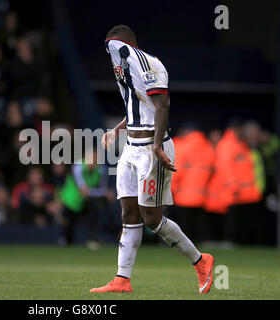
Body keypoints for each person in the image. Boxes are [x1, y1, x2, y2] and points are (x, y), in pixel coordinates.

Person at [90, 25, 214, 294]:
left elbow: (161, 105)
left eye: (114, 46)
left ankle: (200, 260)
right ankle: (122, 279)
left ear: (127, 44)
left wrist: (157, 145)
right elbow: (141, 105)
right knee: (129, 213)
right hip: (132, 147)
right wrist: (118, 129)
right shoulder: (125, 67)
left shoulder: (149, 63)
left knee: (152, 219)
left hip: (150, 148)